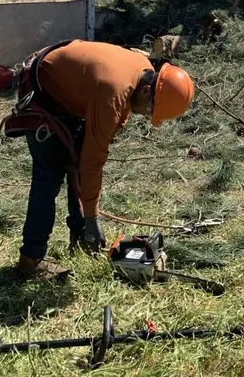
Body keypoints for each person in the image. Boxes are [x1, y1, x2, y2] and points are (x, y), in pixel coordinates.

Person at [14, 39, 194, 281]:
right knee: (49, 176)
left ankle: (81, 241)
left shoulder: (142, 68)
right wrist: (92, 218)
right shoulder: (113, 91)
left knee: (77, 166)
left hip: (74, 91)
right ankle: (31, 261)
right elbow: (93, 160)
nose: (147, 116)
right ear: (146, 91)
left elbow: (93, 153)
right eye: (151, 111)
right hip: (44, 87)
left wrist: (90, 215)